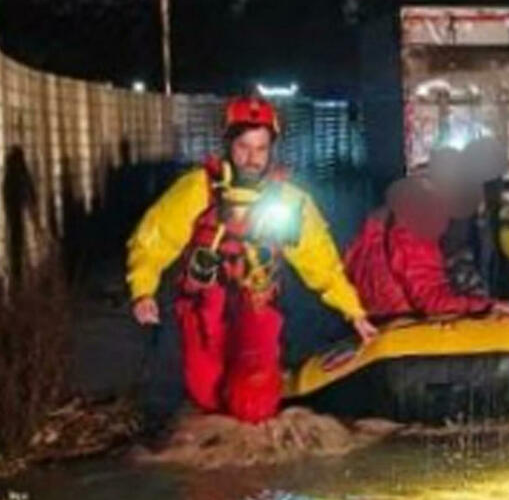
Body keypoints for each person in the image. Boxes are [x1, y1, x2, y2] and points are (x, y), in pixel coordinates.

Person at [127, 95, 376, 430]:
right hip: (203, 307)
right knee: (207, 394)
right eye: (244, 147)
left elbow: (320, 261)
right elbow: (153, 239)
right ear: (229, 145)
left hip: (257, 303)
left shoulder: (290, 201)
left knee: (253, 397)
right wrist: (143, 290)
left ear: (272, 149)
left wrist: (354, 311)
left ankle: (252, 456)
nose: (252, 158)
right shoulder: (196, 191)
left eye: (261, 149)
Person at [344, 174, 509, 320]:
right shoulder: (418, 222)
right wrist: (487, 307)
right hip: (408, 331)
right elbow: (431, 300)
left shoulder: (380, 221)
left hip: (379, 327)